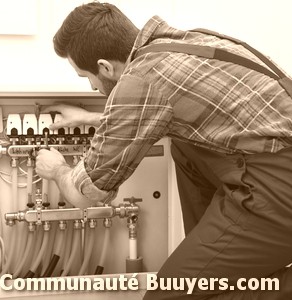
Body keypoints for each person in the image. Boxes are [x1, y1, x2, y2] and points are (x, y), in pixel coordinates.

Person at [35, 2, 292, 299]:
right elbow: (161, 113)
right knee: (183, 145)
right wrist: (93, 119)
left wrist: (56, 169)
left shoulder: (140, 82)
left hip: (277, 191)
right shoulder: (184, 43)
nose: (93, 87)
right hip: (275, 167)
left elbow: (89, 193)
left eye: (86, 77)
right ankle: (216, 261)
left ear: (105, 66)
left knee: (166, 296)